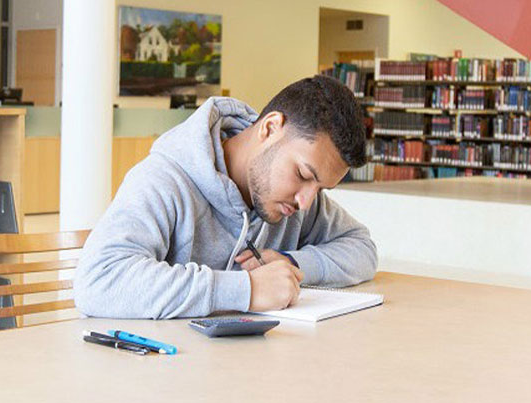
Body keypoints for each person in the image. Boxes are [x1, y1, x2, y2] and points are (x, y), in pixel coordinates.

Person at [75, 75, 377, 319]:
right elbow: (99, 281)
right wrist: (246, 290)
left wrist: (290, 263)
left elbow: (362, 249)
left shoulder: (295, 200)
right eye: (304, 175)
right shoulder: (164, 180)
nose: (306, 202)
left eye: (321, 188)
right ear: (270, 128)